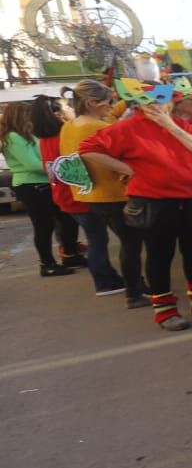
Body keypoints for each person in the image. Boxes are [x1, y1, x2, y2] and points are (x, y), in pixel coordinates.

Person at [78, 86, 192, 329]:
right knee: (159, 256)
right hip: (154, 202)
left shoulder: (179, 125)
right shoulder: (127, 128)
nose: (159, 106)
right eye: (151, 101)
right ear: (139, 104)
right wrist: (128, 169)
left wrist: (170, 126)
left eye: (165, 100)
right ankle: (165, 311)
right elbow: (88, 149)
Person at [62, 81, 148, 305]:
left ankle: (134, 286)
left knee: (119, 241)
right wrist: (128, 169)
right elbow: (111, 153)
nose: (111, 106)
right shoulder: (94, 128)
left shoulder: (70, 126)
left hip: (90, 195)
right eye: (108, 101)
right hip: (113, 194)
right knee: (131, 244)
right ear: (91, 103)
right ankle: (134, 292)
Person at [38, 97, 116, 292]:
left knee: (96, 237)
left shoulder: (48, 138)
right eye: (67, 107)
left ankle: (106, 278)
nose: (72, 109)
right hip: (78, 193)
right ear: (58, 115)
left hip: (66, 194)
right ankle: (105, 281)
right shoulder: (67, 133)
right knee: (97, 239)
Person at [1, 99, 80, 277]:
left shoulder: (29, 133)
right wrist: (58, 167)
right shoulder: (13, 137)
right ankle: (47, 264)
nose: (32, 117)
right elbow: (31, 164)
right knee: (44, 225)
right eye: (28, 114)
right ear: (19, 116)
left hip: (43, 182)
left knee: (66, 217)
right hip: (31, 185)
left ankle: (70, 254)